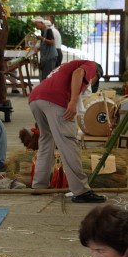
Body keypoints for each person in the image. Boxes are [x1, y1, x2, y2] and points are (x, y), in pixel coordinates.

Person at [28, 60, 106, 203]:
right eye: (92, 81)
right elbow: (78, 74)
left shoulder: (64, 67)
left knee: (46, 139)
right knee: (68, 144)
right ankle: (81, 191)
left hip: (35, 98)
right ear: (96, 74)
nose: (89, 84)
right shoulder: (91, 65)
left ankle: (39, 185)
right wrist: (73, 101)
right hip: (55, 100)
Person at [32, 16, 59, 80]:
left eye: (36, 25)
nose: (36, 27)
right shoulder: (42, 31)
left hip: (50, 57)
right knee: (44, 75)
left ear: (41, 23)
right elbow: (44, 44)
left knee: (48, 76)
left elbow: (52, 42)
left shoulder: (48, 30)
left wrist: (42, 38)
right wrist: (38, 48)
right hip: (46, 57)